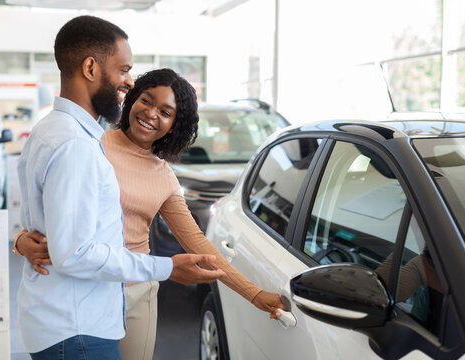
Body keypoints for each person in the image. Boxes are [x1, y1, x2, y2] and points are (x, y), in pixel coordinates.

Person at [16, 68, 288, 359]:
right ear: (132, 99)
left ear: (174, 125)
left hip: (136, 292)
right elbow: (45, 200)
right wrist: (21, 240)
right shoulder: (91, 145)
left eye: (165, 111)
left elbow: (197, 242)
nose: (151, 113)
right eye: (146, 100)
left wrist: (253, 293)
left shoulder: (164, 177)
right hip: (83, 292)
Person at [16, 16, 227, 360]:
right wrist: (168, 267)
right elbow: (76, 254)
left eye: (166, 112)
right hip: (77, 328)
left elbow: (47, 223)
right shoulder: (77, 146)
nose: (128, 81)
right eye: (124, 69)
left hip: (68, 320)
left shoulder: (53, 130)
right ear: (90, 68)